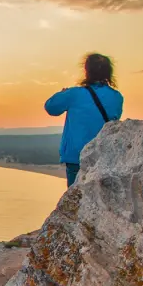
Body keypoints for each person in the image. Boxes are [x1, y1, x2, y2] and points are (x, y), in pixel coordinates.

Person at [45, 53, 124, 187]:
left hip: (77, 157)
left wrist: (62, 93)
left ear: (87, 71)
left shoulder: (75, 94)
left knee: (77, 201)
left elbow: (51, 107)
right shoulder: (117, 97)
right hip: (103, 156)